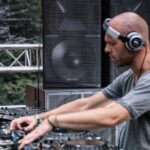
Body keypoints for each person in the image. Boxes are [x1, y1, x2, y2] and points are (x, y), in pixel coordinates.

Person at [10, 12, 150, 150]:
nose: (106, 49)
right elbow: (86, 104)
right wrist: (38, 118)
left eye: (112, 43)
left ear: (135, 43)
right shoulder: (129, 76)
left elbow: (113, 116)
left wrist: (53, 121)